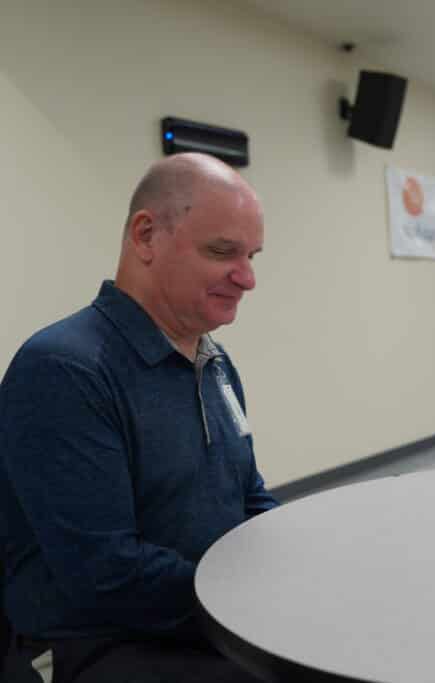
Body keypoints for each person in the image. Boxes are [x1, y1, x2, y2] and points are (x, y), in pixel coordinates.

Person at [0, 153, 277, 682]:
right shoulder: (64, 369)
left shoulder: (212, 363)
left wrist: (310, 552)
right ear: (146, 236)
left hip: (200, 617)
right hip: (96, 644)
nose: (247, 278)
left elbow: (247, 495)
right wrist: (254, 605)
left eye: (252, 256)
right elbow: (107, 575)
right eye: (223, 252)